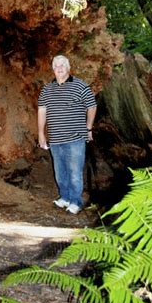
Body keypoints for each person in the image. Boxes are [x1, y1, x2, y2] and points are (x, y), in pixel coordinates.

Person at [37, 55, 97, 214]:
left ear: (68, 68)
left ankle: (76, 201)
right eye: (56, 65)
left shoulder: (80, 86)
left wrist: (88, 127)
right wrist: (41, 134)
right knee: (60, 171)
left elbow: (92, 106)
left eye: (62, 64)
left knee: (75, 171)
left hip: (75, 138)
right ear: (53, 69)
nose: (59, 67)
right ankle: (64, 197)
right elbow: (42, 111)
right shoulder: (47, 89)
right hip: (55, 139)